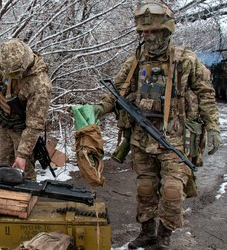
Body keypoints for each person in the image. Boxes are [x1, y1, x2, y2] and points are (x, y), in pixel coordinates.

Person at [91, 2, 221, 249]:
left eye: (154, 32)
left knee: (172, 191)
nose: (148, 37)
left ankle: (164, 237)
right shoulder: (136, 61)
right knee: (145, 188)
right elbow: (118, 91)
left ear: (167, 31)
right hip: (142, 137)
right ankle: (147, 232)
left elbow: (206, 94)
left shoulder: (186, 60)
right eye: (144, 33)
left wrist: (213, 127)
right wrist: (100, 109)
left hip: (175, 138)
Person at [0, 38, 51, 181]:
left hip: (23, 130)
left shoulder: (39, 85)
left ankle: (26, 198)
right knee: (2, 166)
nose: (7, 76)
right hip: (5, 123)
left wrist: (22, 154)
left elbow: (34, 124)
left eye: (12, 74)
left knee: (24, 172)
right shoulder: (6, 62)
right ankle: (2, 196)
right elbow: (0, 86)